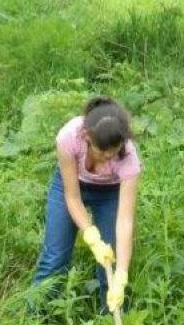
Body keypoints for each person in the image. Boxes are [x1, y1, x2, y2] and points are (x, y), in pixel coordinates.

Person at [32, 97, 142, 313]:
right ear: (87, 137)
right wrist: (91, 235)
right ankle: (35, 320)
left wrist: (121, 274)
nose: (107, 158)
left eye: (113, 152)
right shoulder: (69, 137)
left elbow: (125, 220)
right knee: (54, 258)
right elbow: (72, 198)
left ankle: (109, 324)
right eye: (101, 152)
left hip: (110, 193)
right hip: (71, 185)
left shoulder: (128, 158)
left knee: (110, 263)